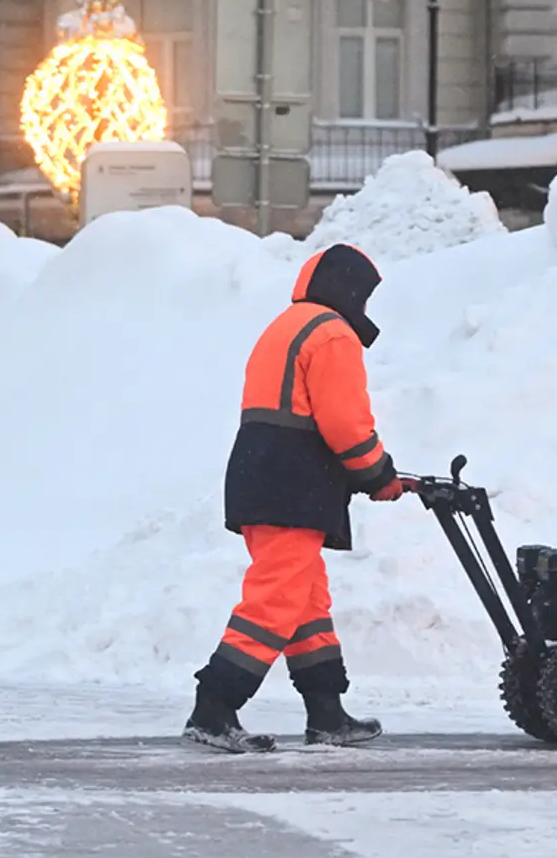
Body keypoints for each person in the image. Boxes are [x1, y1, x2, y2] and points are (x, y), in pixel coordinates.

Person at [183, 242, 407, 754]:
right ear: (347, 290)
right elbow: (344, 422)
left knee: (306, 599)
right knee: (277, 599)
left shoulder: (287, 325)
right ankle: (214, 706)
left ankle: (326, 711)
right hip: (291, 483)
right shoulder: (331, 334)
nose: (364, 310)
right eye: (364, 297)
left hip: (263, 475)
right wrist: (378, 475)